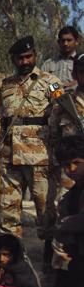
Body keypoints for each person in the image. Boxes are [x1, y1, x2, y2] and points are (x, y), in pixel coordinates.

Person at [0, 36, 61, 247]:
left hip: (39, 154)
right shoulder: (6, 84)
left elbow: (63, 109)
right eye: (20, 58)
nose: (24, 61)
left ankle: (49, 250)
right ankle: (11, 254)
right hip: (9, 153)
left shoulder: (51, 81)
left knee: (44, 206)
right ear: (14, 59)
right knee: (8, 208)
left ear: (35, 56)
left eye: (28, 57)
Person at [52, 135, 84, 287]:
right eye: (66, 165)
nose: (71, 170)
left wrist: (63, 225)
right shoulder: (78, 188)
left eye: (76, 163)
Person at [50, 53, 84, 194]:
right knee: (67, 206)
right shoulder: (64, 102)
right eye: (83, 72)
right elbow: (53, 133)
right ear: (75, 74)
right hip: (70, 168)